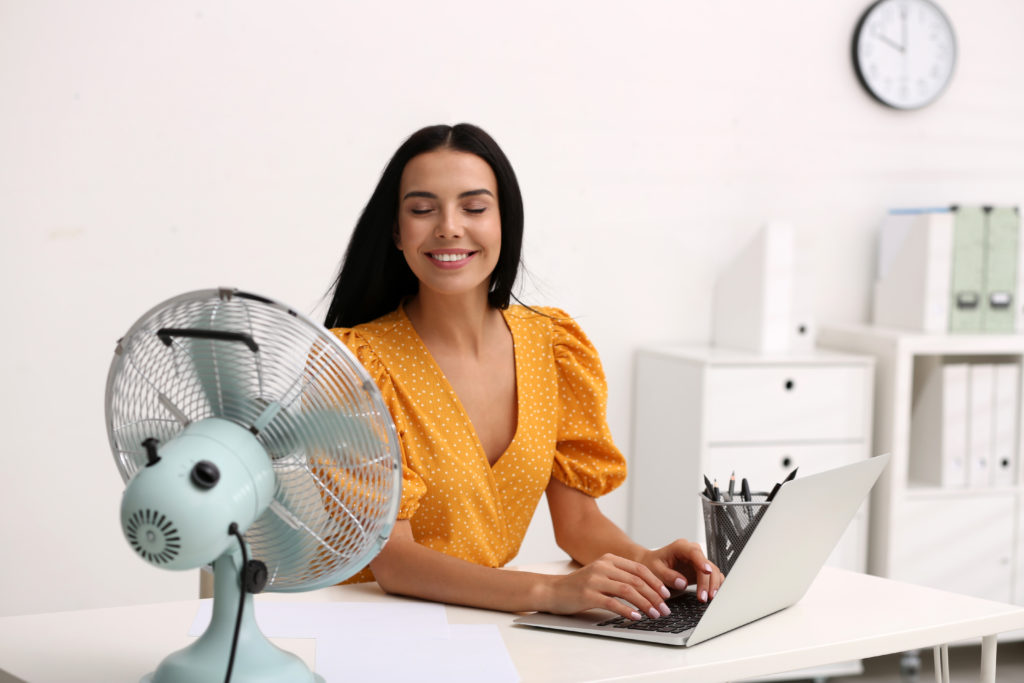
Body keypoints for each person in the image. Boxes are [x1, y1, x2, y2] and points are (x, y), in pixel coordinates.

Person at [324, 123, 723, 623]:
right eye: (422, 209)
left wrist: (646, 565)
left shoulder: (553, 346)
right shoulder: (356, 365)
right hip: (362, 624)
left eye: (473, 207)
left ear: (504, 223)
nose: (448, 226)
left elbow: (577, 522)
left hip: (483, 622)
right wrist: (550, 591)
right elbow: (394, 563)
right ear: (396, 232)